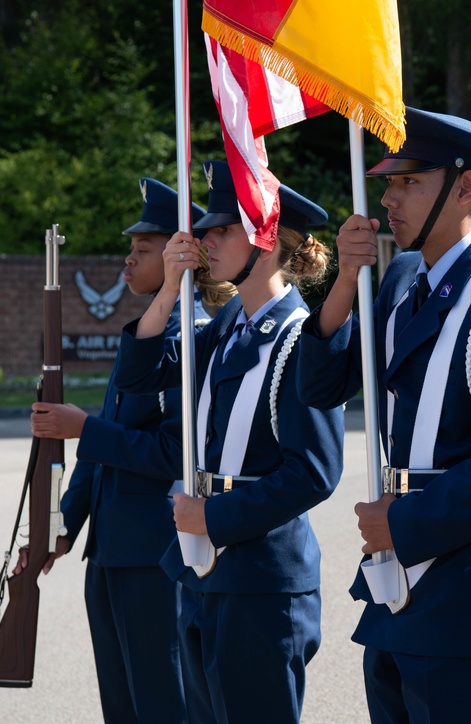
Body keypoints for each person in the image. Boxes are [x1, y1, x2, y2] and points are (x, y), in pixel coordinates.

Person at [296, 108, 471, 723]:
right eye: (387, 182)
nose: (388, 198)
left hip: (464, 593)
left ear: (465, 188)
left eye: (407, 182)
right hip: (395, 588)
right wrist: (346, 280)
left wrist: (405, 523)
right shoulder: (404, 277)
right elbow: (321, 385)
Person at [113, 159, 345, 724]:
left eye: (222, 229)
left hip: (261, 578)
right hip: (204, 567)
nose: (204, 238)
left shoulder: (300, 337)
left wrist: (214, 519)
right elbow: (139, 376)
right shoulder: (227, 325)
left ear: (265, 240)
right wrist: (170, 287)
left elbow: (315, 472)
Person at [18, 177, 233, 723]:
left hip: (158, 554)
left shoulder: (193, 337)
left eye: (142, 250)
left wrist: (83, 428)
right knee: (123, 705)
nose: (127, 262)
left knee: (164, 703)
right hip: (111, 551)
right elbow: (104, 447)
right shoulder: (143, 332)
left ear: (178, 254)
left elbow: (172, 453)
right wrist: (63, 525)